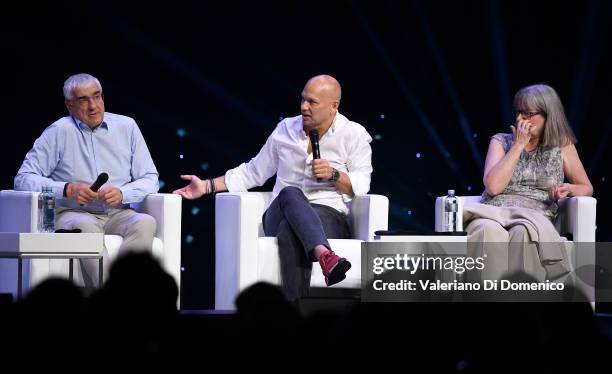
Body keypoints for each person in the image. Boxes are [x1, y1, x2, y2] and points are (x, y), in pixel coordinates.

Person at [174, 75, 373, 302]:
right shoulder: (285, 129)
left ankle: (293, 313)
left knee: (290, 231)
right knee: (290, 193)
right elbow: (253, 172)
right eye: (303, 100)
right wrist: (207, 186)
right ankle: (325, 255)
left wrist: (335, 174)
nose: (303, 107)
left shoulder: (353, 134)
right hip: (279, 211)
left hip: (327, 215)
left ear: (333, 106)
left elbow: (362, 184)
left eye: (312, 102)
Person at [15, 73, 159, 287]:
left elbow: (150, 178)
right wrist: (67, 189)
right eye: (83, 100)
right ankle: (115, 297)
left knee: (145, 222)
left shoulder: (127, 127)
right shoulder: (58, 132)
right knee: (85, 228)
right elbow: (23, 179)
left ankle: (123, 290)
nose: (93, 106)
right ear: (69, 105)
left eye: (97, 96)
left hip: (117, 212)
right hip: (74, 214)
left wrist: (123, 193)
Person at [465, 83, 593, 282]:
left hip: (535, 216)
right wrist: (518, 146)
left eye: (527, 114)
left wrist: (568, 188)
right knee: (485, 230)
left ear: (547, 115)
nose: (519, 119)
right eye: (518, 112)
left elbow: (586, 187)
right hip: (494, 212)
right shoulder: (500, 141)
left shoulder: (562, 145)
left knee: (524, 233)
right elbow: (493, 187)